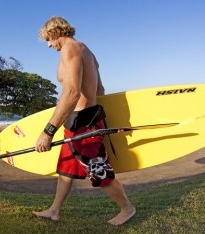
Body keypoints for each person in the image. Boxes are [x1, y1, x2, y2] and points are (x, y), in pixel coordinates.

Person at [32, 16, 136, 226]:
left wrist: (48, 130)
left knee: (99, 171)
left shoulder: (70, 49)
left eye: (48, 40)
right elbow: (100, 90)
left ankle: (127, 208)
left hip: (84, 123)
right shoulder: (86, 51)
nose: (49, 45)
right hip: (77, 120)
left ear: (55, 32)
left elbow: (71, 93)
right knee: (66, 168)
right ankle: (54, 210)